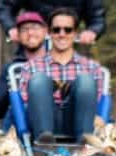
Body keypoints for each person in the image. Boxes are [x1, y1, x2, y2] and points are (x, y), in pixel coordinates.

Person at [19, 7, 103, 143]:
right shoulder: (30, 67)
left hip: (79, 119)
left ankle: (85, 141)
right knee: (39, 80)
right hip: (42, 120)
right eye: (56, 29)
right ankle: (44, 140)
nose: (61, 34)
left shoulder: (92, 68)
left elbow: (95, 104)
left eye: (68, 29)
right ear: (49, 32)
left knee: (85, 81)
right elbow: (26, 103)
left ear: (75, 33)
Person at [0, 12, 47, 133]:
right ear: (18, 35)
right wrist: (13, 89)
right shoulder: (11, 69)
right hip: (18, 128)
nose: (30, 33)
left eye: (35, 27)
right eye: (25, 29)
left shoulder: (57, 66)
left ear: (45, 31)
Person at [0, 0, 106, 45]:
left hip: (69, 46)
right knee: (10, 77)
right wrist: (11, 28)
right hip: (32, 45)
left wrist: (92, 31)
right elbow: (5, 8)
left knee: (87, 85)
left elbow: (97, 17)